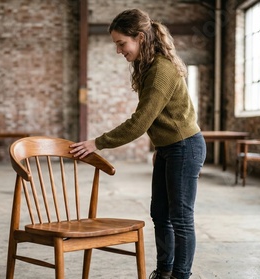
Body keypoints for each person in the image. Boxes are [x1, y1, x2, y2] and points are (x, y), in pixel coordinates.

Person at [69, 8, 206, 279]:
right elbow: (161, 120)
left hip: (184, 147)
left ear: (140, 38)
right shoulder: (148, 67)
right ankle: (164, 271)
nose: (119, 50)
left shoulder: (160, 71)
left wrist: (97, 143)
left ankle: (180, 275)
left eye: (122, 43)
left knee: (180, 218)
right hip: (170, 148)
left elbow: (139, 123)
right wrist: (160, 148)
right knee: (160, 214)